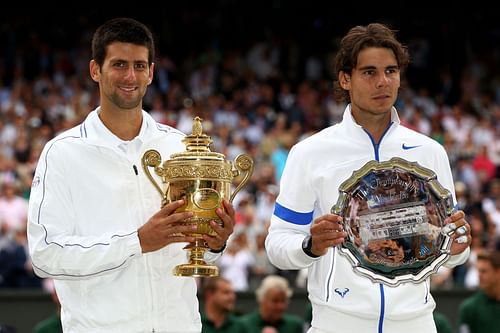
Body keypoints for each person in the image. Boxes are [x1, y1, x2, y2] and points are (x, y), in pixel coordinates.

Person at [27, 17, 234, 333]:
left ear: (151, 73)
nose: (130, 76)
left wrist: (215, 243)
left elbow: (192, 252)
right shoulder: (63, 153)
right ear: (95, 70)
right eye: (119, 64)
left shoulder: (180, 146)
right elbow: (45, 255)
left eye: (139, 66)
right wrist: (136, 242)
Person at [265, 23, 471, 333]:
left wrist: (457, 249)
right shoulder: (310, 152)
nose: (383, 82)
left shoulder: (429, 152)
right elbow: (278, 245)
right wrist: (311, 246)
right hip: (337, 323)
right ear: (345, 79)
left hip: (416, 323)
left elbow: (446, 246)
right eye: (369, 72)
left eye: (391, 71)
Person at [239, 275, 303, 333]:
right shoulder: (243, 325)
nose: (280, 306)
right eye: (275, 301)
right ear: (261, 299)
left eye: (283, 301)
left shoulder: (295, 326)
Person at [458, 250, 500, 333]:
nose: (479, 275)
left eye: (484, 271)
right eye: (478, 271)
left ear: (498, 272)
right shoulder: (469, 308)